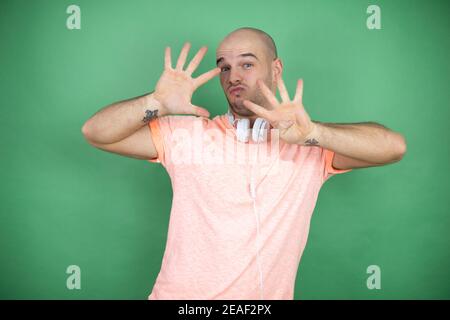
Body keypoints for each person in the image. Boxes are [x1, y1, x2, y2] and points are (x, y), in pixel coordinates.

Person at [81, 27, 407, 300]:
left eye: (247, 64)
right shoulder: (187, 135)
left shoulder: (310, 145)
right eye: (224, 67)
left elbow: (393, 147)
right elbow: (96, 132)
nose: (233, 76)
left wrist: (314, 134)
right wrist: (157, 103)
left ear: (276, 70)